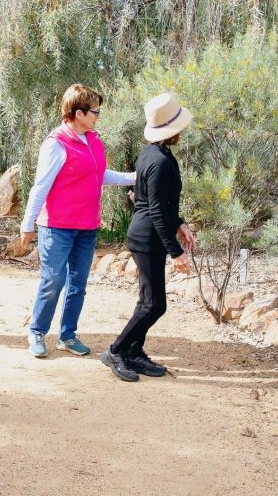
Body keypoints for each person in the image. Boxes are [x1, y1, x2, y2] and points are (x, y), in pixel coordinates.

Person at [21, 84, 135, 358]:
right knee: (53, 281)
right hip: (57, 227)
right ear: (78, 113)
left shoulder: (94, 141)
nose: (98, 115)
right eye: (94, 111)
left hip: (87, 226)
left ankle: (67, 336)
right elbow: (40, 187)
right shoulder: (55, 144)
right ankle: (37, 332)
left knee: (78, 283)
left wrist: (135, 176)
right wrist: (28, 224)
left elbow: (101, 175)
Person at [101, 93, 197, 382]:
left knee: (148, 300)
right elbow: (155, 208)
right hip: (147, 237)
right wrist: (176, 252)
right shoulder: (160, 161)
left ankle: (133, 351)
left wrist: (180, 224)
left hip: (149, 234)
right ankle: (116, 351)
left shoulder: (153, 154)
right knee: (155, 304)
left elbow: (163, 204)